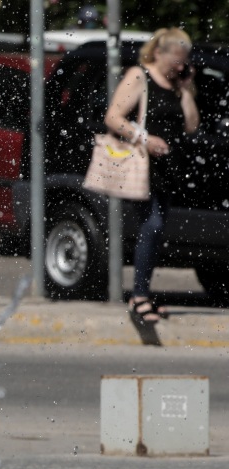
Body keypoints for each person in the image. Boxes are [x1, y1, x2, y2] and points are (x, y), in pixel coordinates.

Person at [104, 28, 199, 327]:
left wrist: (186, 88)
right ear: (159, 52)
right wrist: (145, 138)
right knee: (152, 224)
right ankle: (139, 296)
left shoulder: (175, 86)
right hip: (142, 167)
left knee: (157, 232)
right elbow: (113, 118)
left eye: (184, 62)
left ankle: (144, 293)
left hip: (167, 170)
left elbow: (191, 126)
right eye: (177, 60)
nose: (180, 67)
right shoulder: (139, 76)